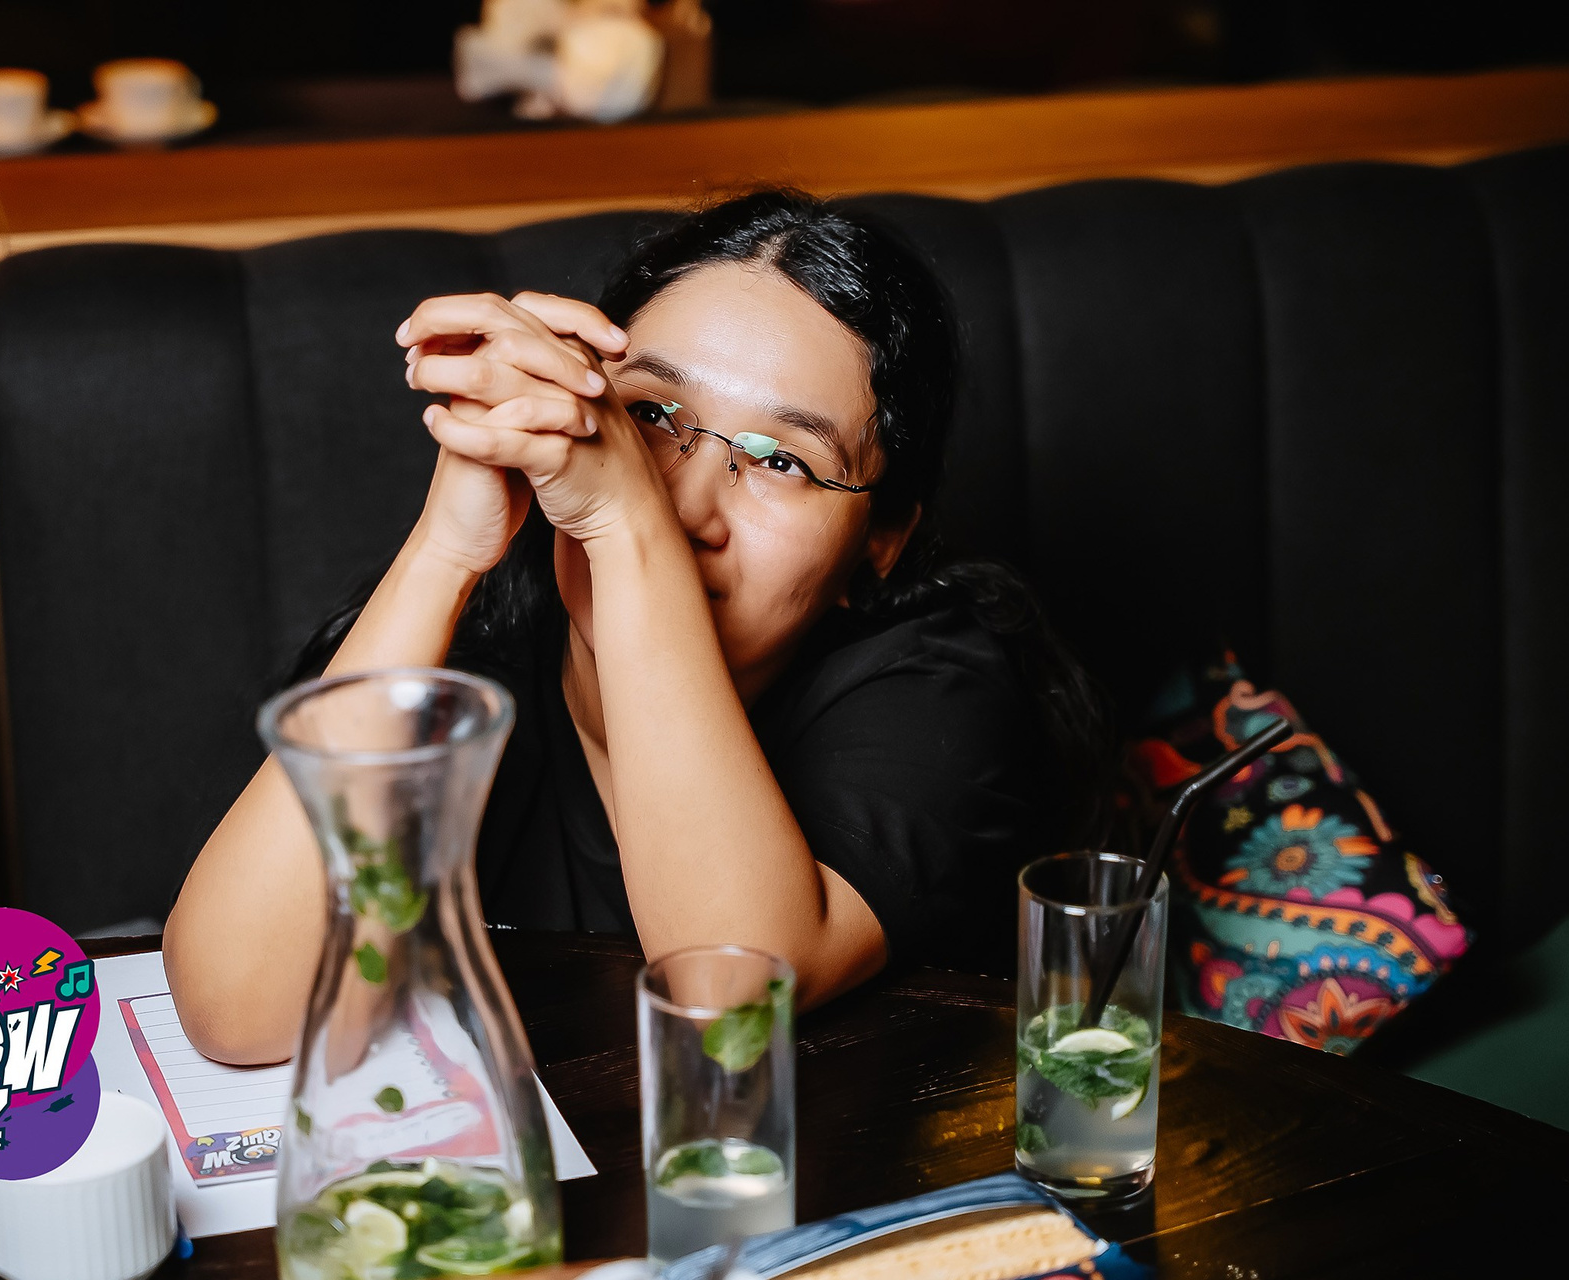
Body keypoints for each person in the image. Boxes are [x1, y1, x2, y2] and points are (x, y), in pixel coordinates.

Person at [165, 189, 1110, 1063]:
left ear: (881, 542)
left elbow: (727, 992)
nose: (689, 507)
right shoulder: (468, 663)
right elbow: (237, 1006)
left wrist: (627, 524)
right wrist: (445, 550)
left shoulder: (935, 685)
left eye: (782, 461)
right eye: (651, 415)